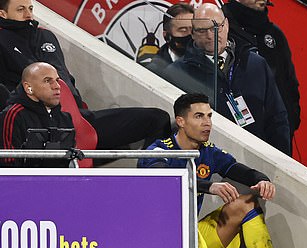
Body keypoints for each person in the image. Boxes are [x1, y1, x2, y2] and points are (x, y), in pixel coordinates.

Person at [138, 93, 307, 248]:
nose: (207, 123)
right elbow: (163, 184)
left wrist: (262, 180)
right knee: (182, 219)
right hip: (160, 242)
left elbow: (240, 170)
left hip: (193, 240)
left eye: (209, 116)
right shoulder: (159, 150)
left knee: (246, 203)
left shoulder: (208, 152)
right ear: (181, 121)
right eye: (199, 116)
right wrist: (209, 186)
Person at [0, 0, 171, 150]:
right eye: (21, 9)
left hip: (77, 117)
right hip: (37, 123)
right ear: (3, 13)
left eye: (30, 8)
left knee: (158, 119)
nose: (28, 14)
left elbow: (65, 75)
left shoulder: (46, 35)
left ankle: (154, 177)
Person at [162, 3, 291, 156]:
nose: (211, 36)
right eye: (203, 31)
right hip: (208, 162)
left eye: (216, 28)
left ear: (227, 25)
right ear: (193, 34)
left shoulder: (256, 64)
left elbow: (277, 118)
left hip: (257, 160)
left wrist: (281, 162)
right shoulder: (177, 74)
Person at [222, 0, 301, 144]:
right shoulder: (222, 28)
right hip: (235, 131)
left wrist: (291, 119)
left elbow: (289, 82)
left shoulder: (275, 35)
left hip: (277, 131)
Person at [1, 62, 74, 167]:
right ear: (28, 88)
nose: (57, 86)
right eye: (47, 81)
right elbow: (8, 164)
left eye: (57, 80)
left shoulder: (65, 118)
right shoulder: (13, 115)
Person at [145, 2, 194, 77]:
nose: (190, 35)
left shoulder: (209, 63)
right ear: (166, 36)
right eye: (183, 30)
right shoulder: (154, 72)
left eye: (193, 30)